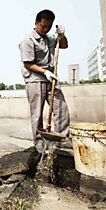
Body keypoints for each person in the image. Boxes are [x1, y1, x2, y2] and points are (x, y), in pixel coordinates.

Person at [19, 9, 71, 153]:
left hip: (51, 79)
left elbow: (64, 45)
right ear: (36, 23)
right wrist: (45, 72)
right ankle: (39, 144)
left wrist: (62, 35)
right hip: (35, 80)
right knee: (37, 114)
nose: (46, 29)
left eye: (49, 26)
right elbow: (27, 63)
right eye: (43, 26)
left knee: (61, 109)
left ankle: (63, 140)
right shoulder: (28, 41)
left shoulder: (49, 39)